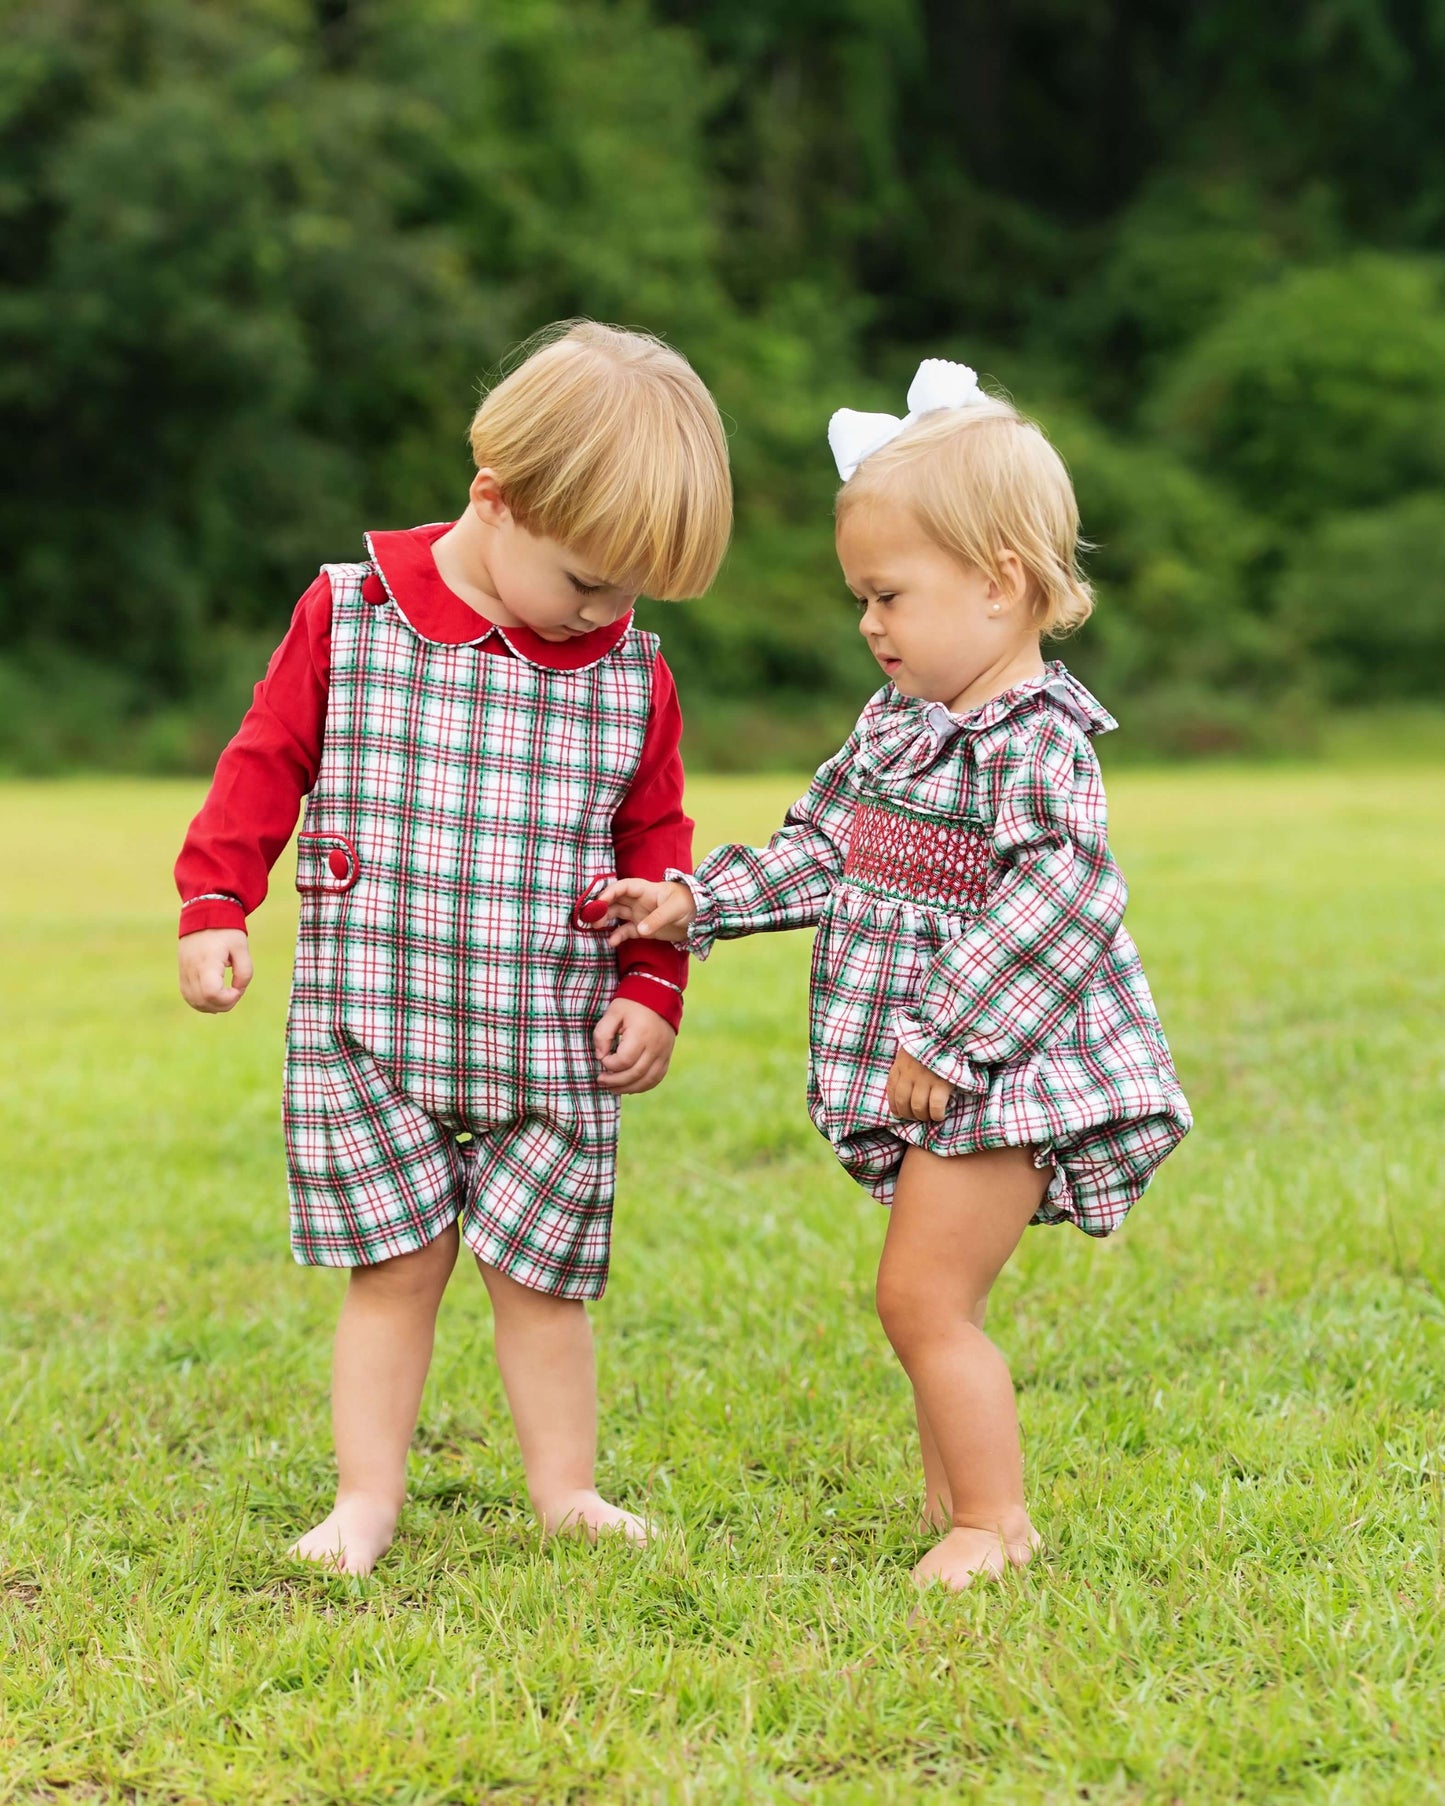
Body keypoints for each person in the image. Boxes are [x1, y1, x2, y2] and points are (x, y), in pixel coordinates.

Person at [598, 360, 1191, 1591]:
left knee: (920, 1297)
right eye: (858, 598)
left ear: (997, 586)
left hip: (1004, 1075)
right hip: (943, 1068)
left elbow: (1064, 899)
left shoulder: (1037, 743)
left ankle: (993, 1521)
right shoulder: (895, 724)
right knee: (919, 1297)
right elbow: (824, 851)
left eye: (887, 595)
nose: (867, 623)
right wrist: (693, 902)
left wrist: (944, 1034)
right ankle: (954, 1502)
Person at [174, 321, 732, 1575]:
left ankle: (567, 1492)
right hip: (377, 1017)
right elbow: (264, 765)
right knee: (397, 1267)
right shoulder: (351, 613)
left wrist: (655, 982)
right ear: (496, 498)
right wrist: (217, 901)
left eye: (631, 593)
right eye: (589, 580)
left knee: (546, 1280)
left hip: (549, 1036)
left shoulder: (630, 675)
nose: (609, 611)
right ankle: (366, 1499)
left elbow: (658, 840)